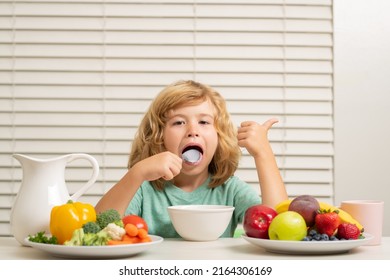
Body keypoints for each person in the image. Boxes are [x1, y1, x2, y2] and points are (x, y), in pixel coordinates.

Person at [95, 80, 288, 237]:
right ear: (158, 137)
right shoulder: (145, 189)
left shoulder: (229, 189)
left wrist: (264, 155)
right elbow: (97, 228)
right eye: (179, 122)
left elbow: (279, 227)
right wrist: (136, 173)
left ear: (219, 136)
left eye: (204, 122)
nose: (192, 131)